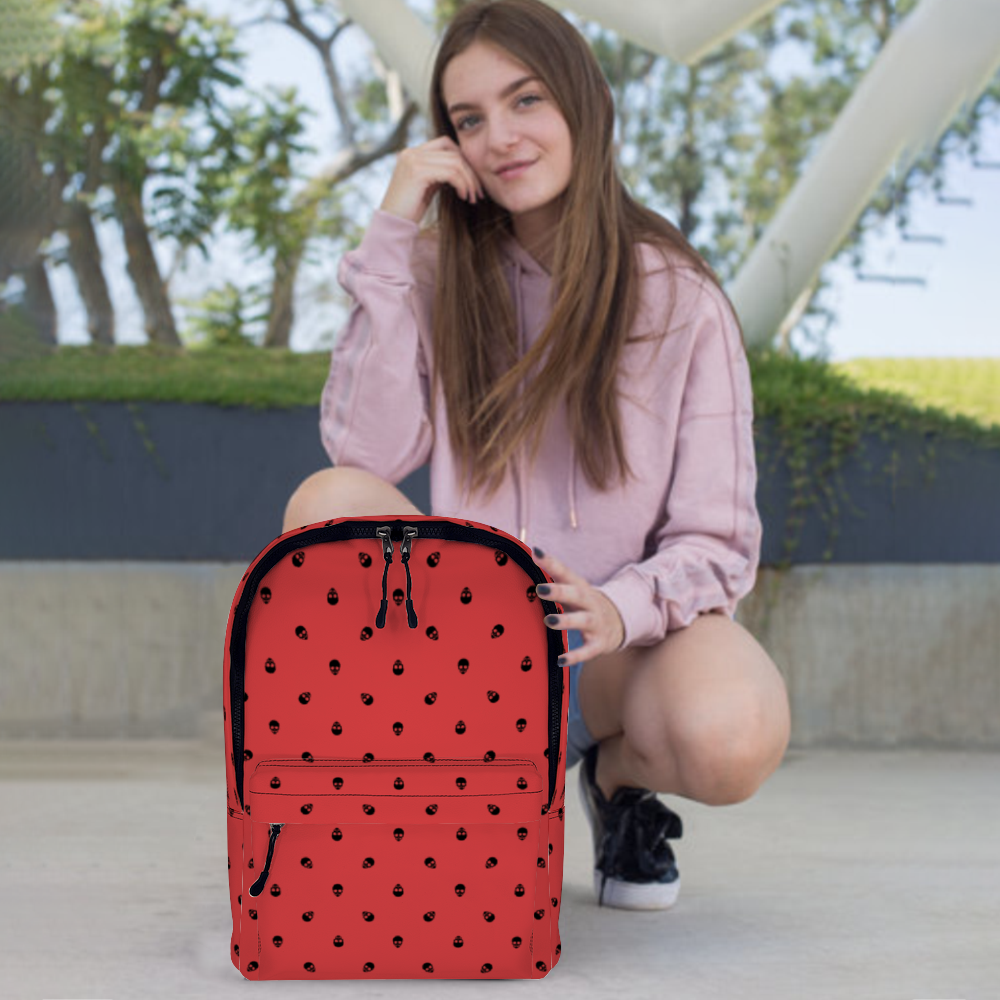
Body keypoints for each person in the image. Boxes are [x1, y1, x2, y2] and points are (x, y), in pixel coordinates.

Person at [283, 0, 791, 911]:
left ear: (584, 103)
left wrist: (616, 606)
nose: (499, 138)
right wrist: (395, 229)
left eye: (525, 101)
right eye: (468, 120)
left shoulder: (679, 297)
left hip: (608, 655)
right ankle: (442, 797)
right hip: (456, 650)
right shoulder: (434, 274)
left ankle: (615, 785)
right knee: (328, 499)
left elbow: (718, 542)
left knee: (732, 731)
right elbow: (365, 450)